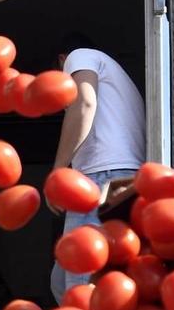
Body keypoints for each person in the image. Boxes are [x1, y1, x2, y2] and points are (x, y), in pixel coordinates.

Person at [50, 32, 146, 296]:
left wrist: (58, 172)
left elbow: (85, 103)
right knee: (62, 281)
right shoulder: (119, 79)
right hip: (123, 180)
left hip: (100, 178)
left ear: (62, 61)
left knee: (80, 290)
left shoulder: (78, 57)